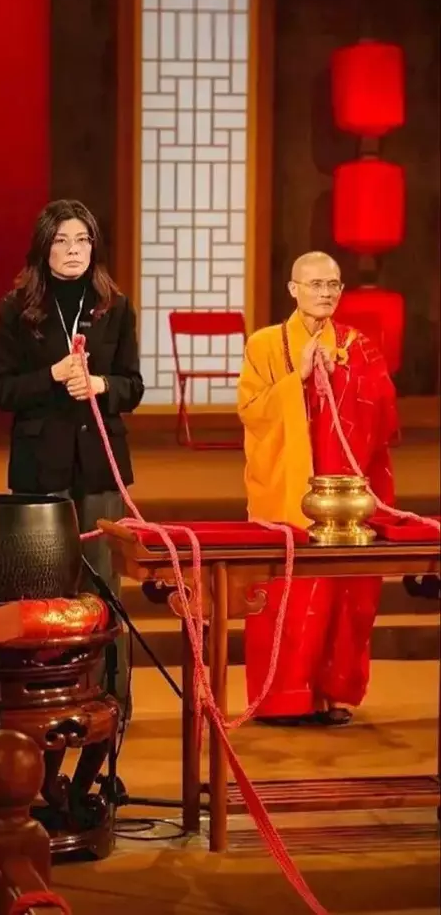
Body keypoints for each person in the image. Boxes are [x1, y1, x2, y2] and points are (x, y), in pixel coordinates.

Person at [0, 199, 144, 721]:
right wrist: (52, 377)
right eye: (62, 241)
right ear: (44, 248)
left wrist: (100, 384)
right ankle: (47, 697)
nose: (73, 250)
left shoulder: (114, 306)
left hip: (99, 464)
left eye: (82, 240)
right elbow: (2, 390)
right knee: (45, 585)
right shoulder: (17, 308)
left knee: (103, 585)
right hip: (41, 465)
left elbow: (133, 385)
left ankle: (110, 699)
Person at [237, 251, 398, 727]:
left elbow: (384, 412)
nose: (326, 293)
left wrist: (343, 377)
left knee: (342, 595)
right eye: (315, 284)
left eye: (333, 285)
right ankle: (282, 699)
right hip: (286, 490)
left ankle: (333, 694)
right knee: (286, 596)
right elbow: (250, 412)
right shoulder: (264, 344)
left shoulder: (358, 346)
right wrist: (299, 380)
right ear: (293, 289)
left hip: (342, 496)